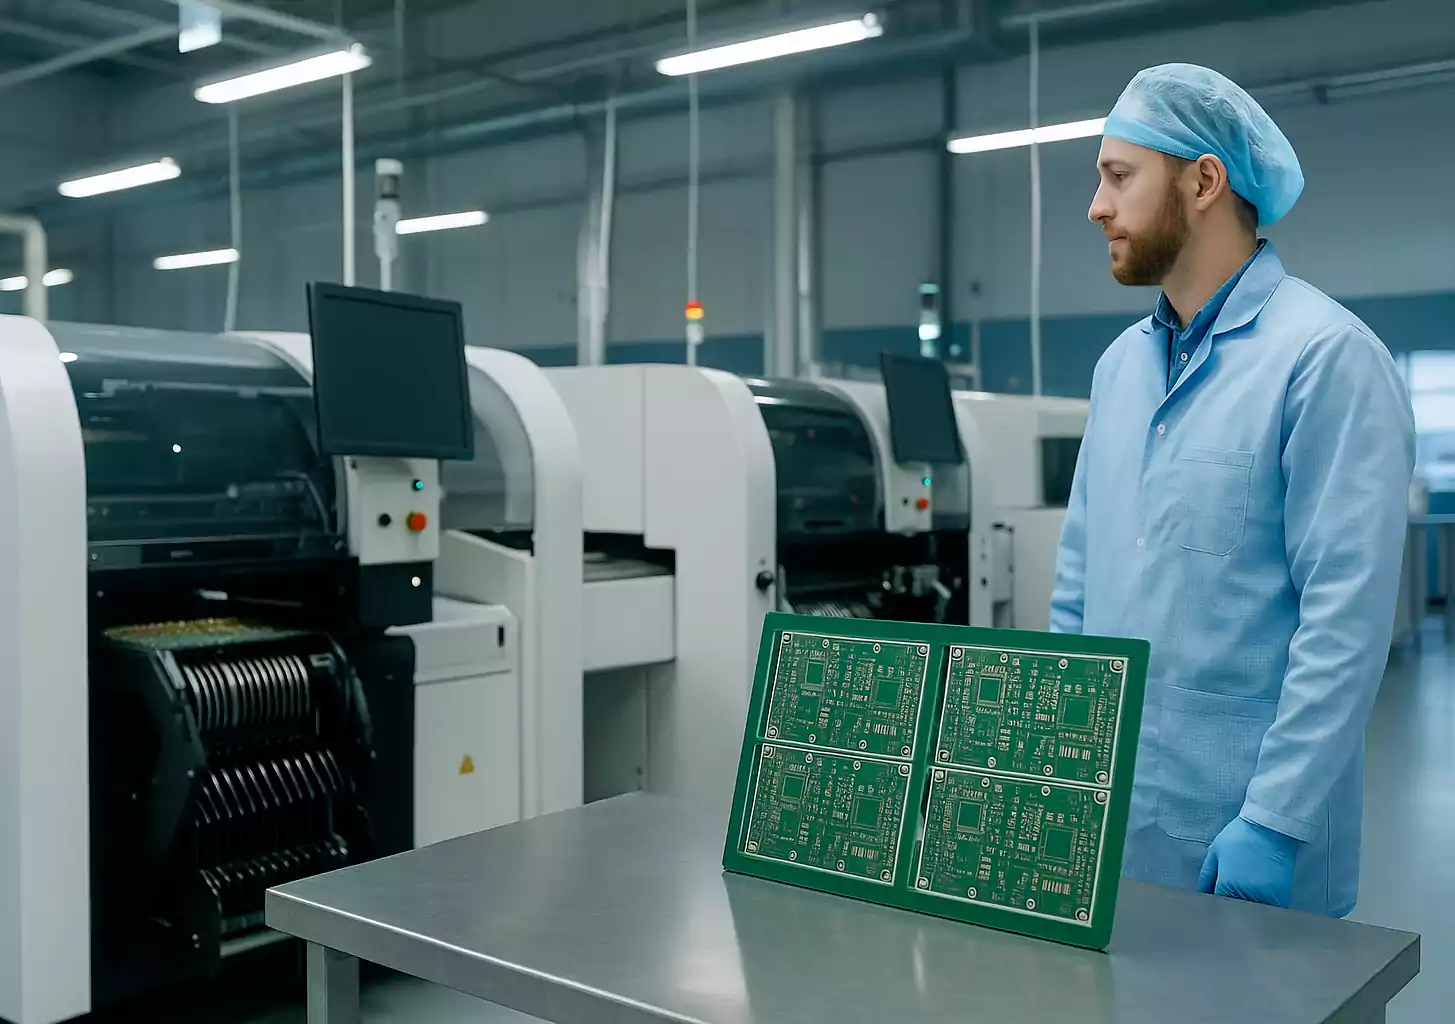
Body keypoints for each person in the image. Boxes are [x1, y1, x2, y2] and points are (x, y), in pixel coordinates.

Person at [1051, 63, 1415, 916]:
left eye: (1116, 176)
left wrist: (1276, 820)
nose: (1095, 207)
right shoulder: (1117, 370)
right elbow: (1077, 585)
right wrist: (1060, 764)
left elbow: (1344, 621)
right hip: (1114, 831)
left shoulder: (1324, 359)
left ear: (1203, 180)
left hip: (1244, 838)